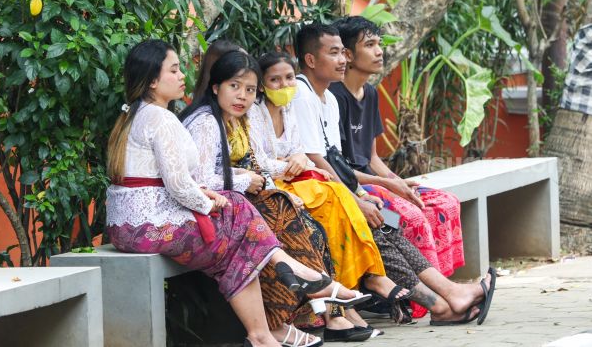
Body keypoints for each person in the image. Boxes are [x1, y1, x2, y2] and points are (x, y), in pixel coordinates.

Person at [105, 39, 337, 347]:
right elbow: (177, 184)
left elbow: (167, 180)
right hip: (149, 227)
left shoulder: (139, 113)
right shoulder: (161, 118)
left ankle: (266, 328)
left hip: (131, 226)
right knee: (237, 222)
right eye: (174, 70)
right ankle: (269, 317)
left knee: (237, 217)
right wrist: (208, 202)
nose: (182, 75)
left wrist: (209, 197)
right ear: (151, 80)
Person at [290, 23, 496, 326]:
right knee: (376, 230)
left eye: (342, 53)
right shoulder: (300, 96)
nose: (343, 60)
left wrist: (364, 195)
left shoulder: (328, 100)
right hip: (313, 195)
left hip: (338, 191)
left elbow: (338, 165)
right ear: (310, 60)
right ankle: (440, 303)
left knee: (388, 226)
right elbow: (316, 164)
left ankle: (449, 294)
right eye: (334, 53)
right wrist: (359, 200)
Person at [180, 50, 376, 344]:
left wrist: (289, 171)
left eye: (248, 90)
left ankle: (302, 309)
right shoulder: (206, 122)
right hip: (209, 207)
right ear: (216, 86)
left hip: (237, 200)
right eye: (234, 86)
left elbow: (258, 163)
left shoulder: (238, 119)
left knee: (305, 224)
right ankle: (305, 303)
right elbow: (201, 180)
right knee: (282, 218)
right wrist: (249, 180)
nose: (242, 96)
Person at [250, 51, 418, 332]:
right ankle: (346, 302)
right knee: (329, 208)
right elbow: (260, 162)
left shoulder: (290, 109)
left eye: (289, 78)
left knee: (341, 198)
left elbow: (299, 153)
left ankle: (370, 278)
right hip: (273, 186)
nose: (284, 85)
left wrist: (301, 161)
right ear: (262, 85)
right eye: (275, 80)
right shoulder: (256, 113)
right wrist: (295, 163)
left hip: (297, 179)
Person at [329, 16, 466, 316]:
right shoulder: (333, 98)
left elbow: (374, 157)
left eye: (379, 44)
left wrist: (400, 182)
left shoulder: (372, 93)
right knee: (408, 217)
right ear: (348, 55)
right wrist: (389, 187)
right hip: (357, 186)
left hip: (378, 181)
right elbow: (339, 166)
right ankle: (418, 302)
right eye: (370, 45)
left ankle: (447, 287)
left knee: (445, 204)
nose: (379, 51)